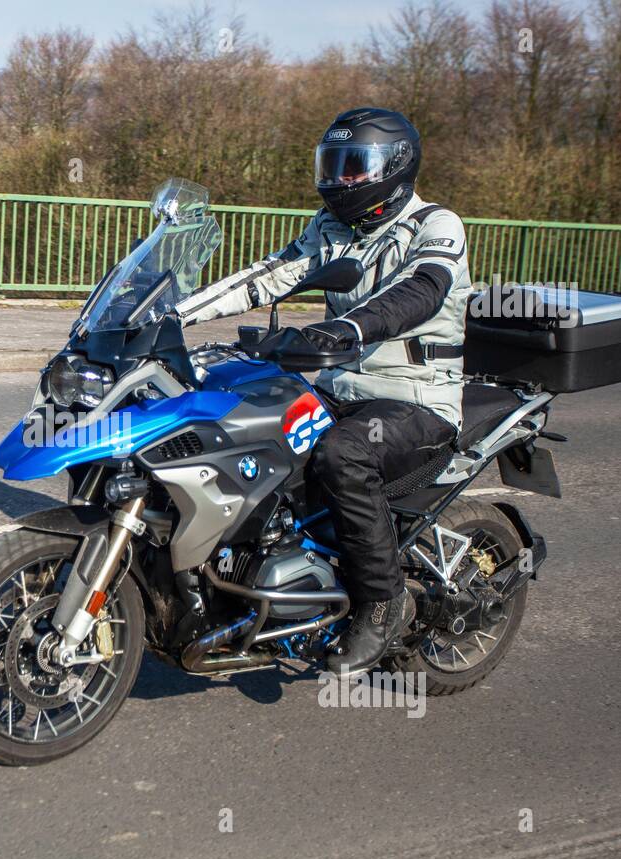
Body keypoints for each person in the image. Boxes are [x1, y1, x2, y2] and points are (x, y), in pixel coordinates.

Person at [175, 106, 471, 676]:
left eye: (355, 168)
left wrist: (347, 328)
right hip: (343, 387)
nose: (341, 180)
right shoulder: (330, 228)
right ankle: (252, 583)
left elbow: (422, 291)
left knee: (342, 454)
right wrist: (170, 316)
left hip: (417, 398)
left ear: (396, 167)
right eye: (333, 166)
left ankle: (380, 604)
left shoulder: (437, 225)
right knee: (248, 428)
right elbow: (267, 277)